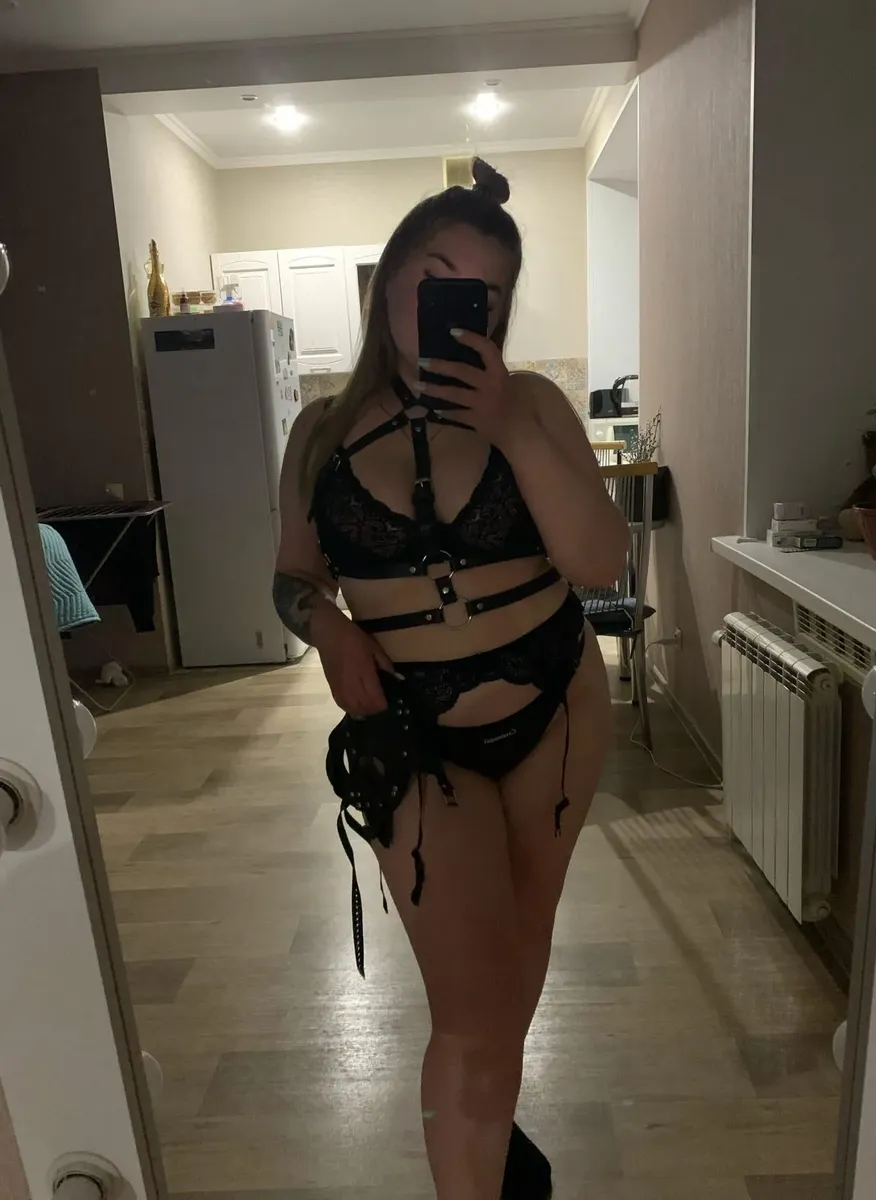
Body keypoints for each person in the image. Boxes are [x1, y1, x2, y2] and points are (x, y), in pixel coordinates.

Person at [273, 158, 629, 1200]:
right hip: (410, 733)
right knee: (472, 1008)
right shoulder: (318, 433)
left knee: (514, 964)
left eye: (483, 292)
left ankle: (493, 1144)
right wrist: (325, 626)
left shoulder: (533, 405)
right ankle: (482, 1161)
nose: (452, 303)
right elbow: (291, 579)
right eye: (435, 275)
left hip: (554, 702)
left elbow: (599, 562)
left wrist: (509, 424)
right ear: (391, 278)